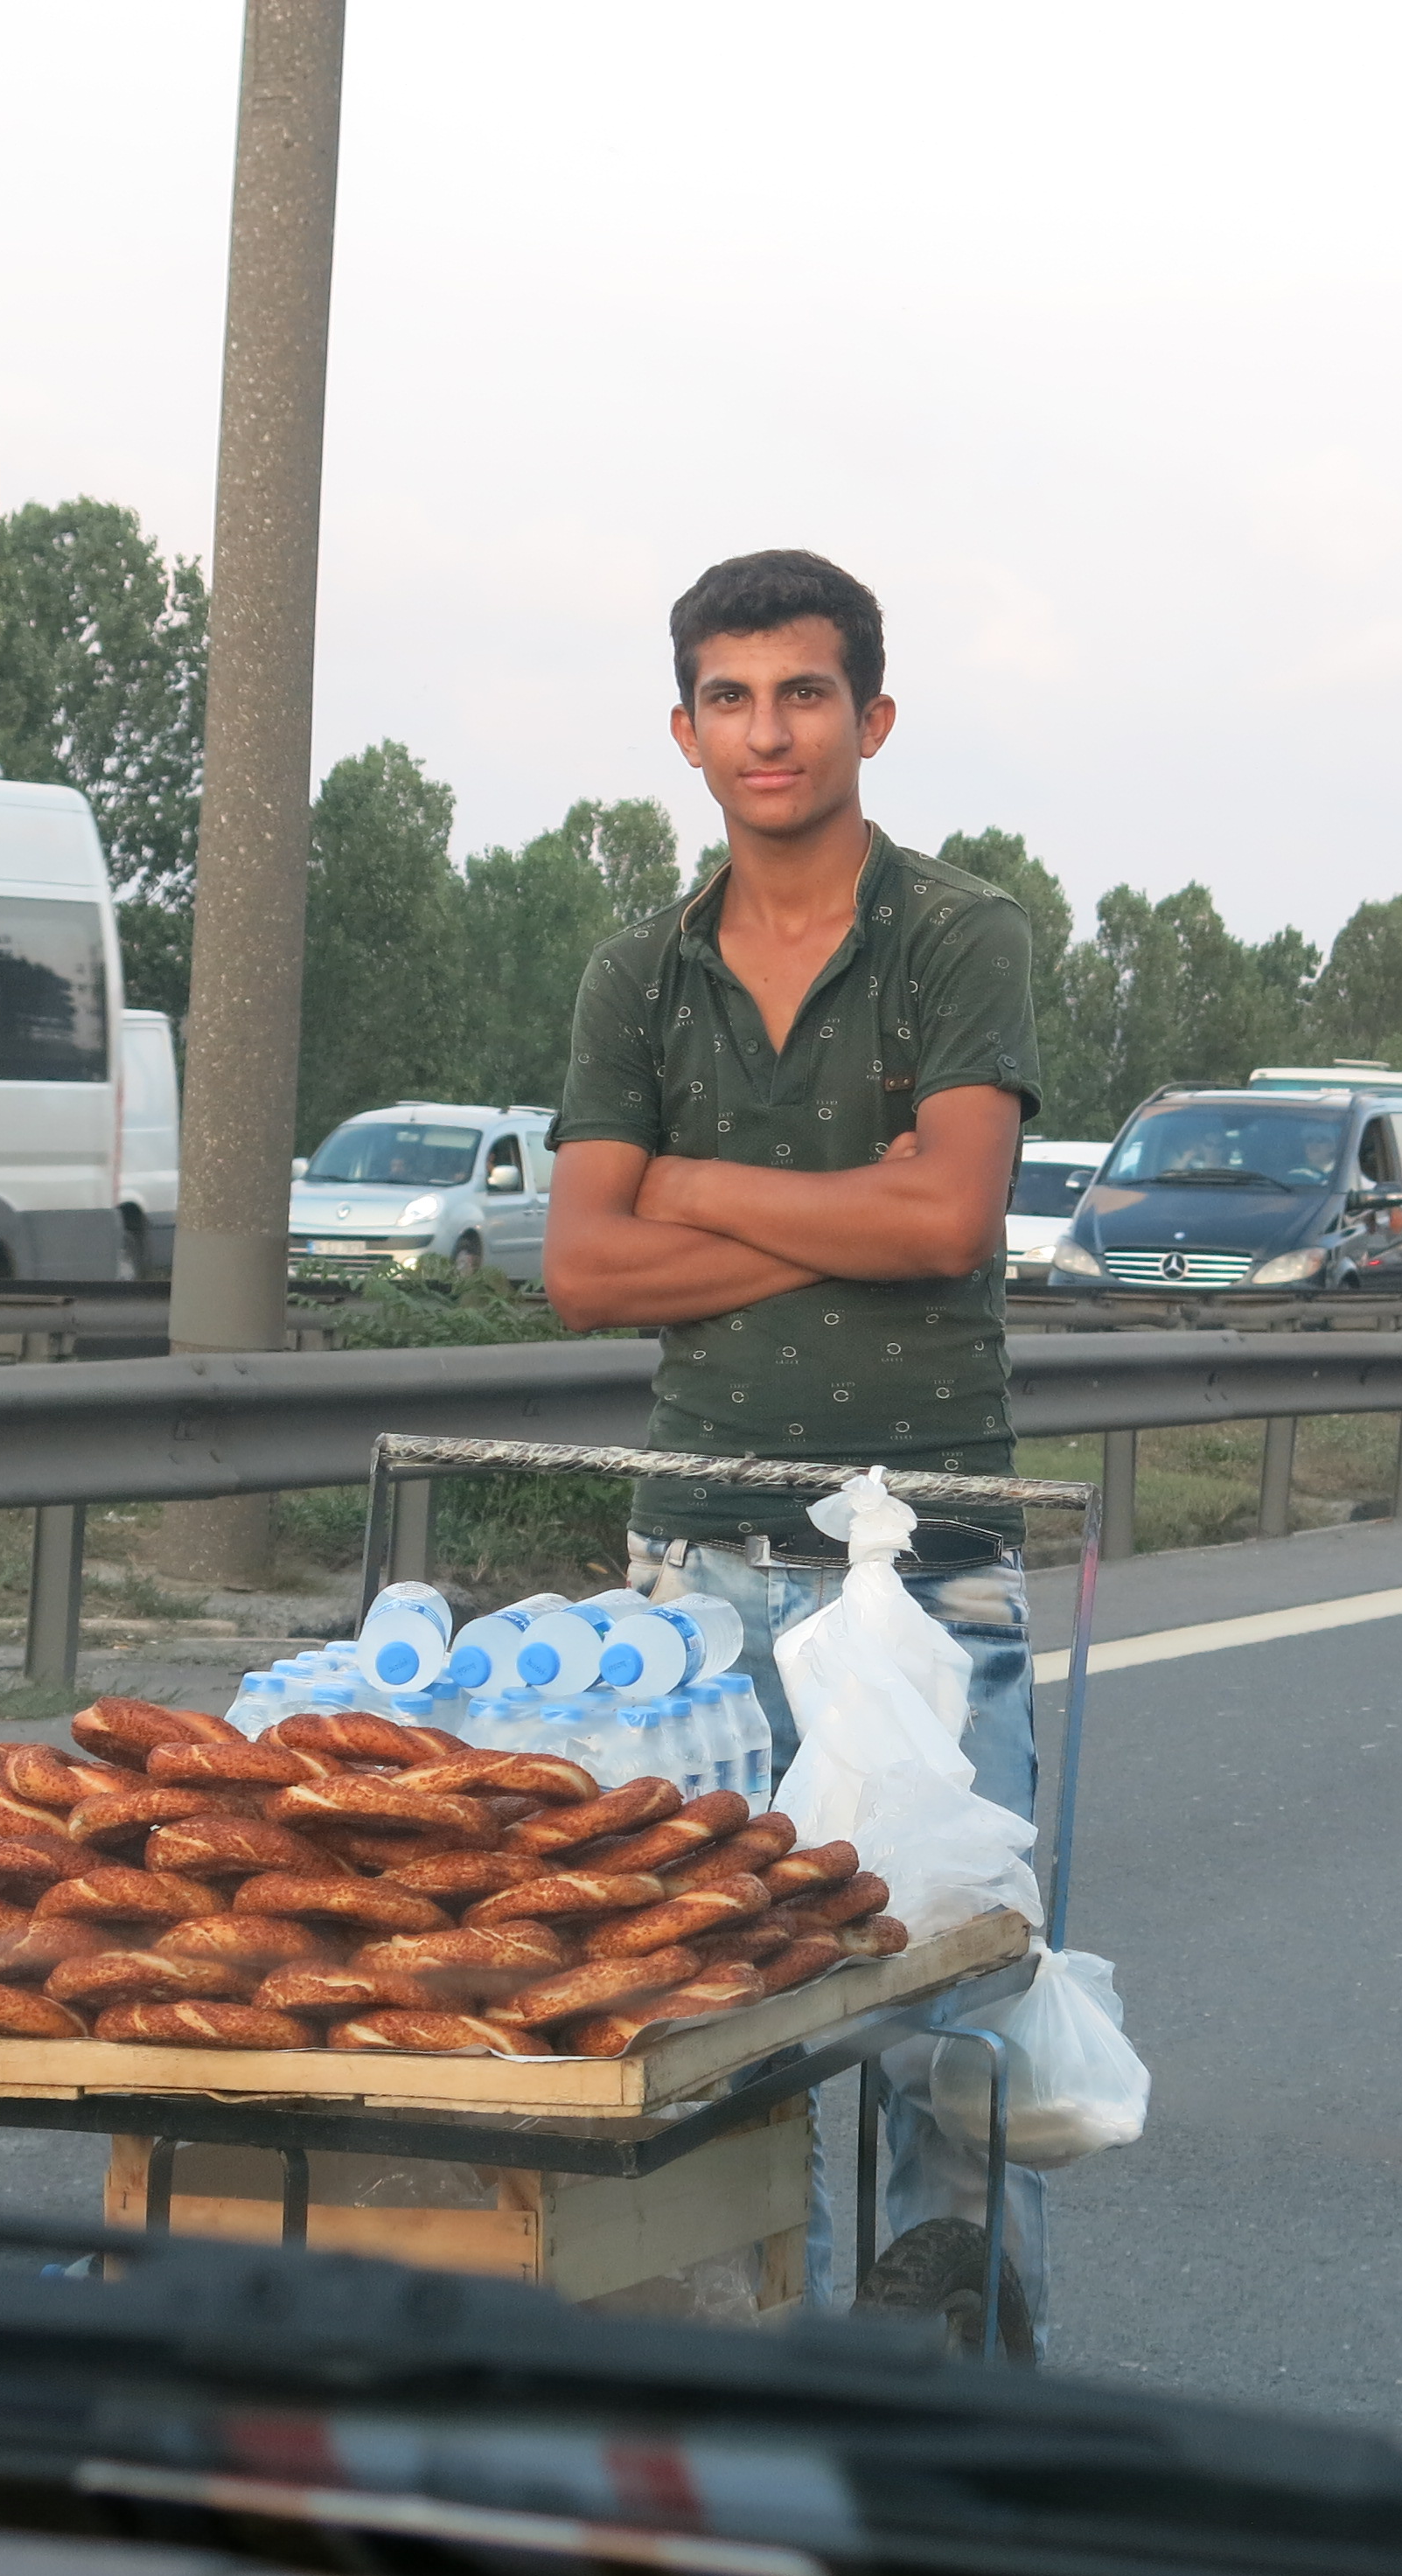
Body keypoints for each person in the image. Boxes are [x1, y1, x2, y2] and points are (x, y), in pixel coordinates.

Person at [544, 547, 1050, 2341]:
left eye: (805, 694)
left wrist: (688, 1184)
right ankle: (757, 2426)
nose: (770, 732)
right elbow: (584, 1272)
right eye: (732, 698)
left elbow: (949, 1219)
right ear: (684, 731)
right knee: (710, 2029)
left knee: (947, 2035)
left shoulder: (959, 937)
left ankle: (956, 2442)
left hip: (931, 1563)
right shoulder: (638, 973)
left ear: (872, 719)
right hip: (689, 1568)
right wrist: (855, 1207)